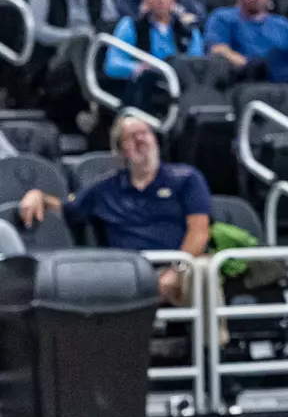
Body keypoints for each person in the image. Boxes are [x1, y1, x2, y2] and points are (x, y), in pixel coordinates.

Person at [17, 111, 209, 306]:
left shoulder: (187, 178)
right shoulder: (104, 189)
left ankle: (213, 337)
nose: (141, 139)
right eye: (131, 137)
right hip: (127, 272)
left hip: (178, 266)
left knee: (203, 270)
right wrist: (38, 195)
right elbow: (67, 208)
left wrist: (175, 271)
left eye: (145, 133)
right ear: (121, 150)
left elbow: (199, 232)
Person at [28, 0, 118, 133]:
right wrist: (73, 35)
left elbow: (110, 24)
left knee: (90, 44)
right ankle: (93, 101)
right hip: (57, 57)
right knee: (79, 41)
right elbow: (37, 30)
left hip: (94, 53)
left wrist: (92, 36)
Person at [105, 0, 204, 114]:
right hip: (146, 90)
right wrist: (137, 67)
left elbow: (197, 63)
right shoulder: (131, 26)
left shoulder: (188, 31)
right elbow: (112, 64)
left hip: (180, 88)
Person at [204, 0, 288, 69]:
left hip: (282, 81)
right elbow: (219, 51)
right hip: (242, 80)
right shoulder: (222, 18)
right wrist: (254, 67)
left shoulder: (284, 25)